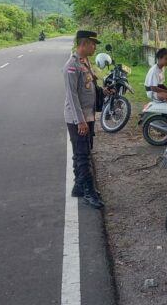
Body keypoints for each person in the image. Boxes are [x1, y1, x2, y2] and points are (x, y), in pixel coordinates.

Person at [64, 30, 105, 209]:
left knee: (84, 151)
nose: (94, 47)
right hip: (77, 118)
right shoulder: (71, 66)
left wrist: (103, 92)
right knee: (83, 156)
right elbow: (72, 97)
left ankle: (79, 186)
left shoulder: (85, 62)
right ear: (83, 44)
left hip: (87, 115)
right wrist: (80, 121)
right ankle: (88, 192)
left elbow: (89, 87)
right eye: (92, 43)